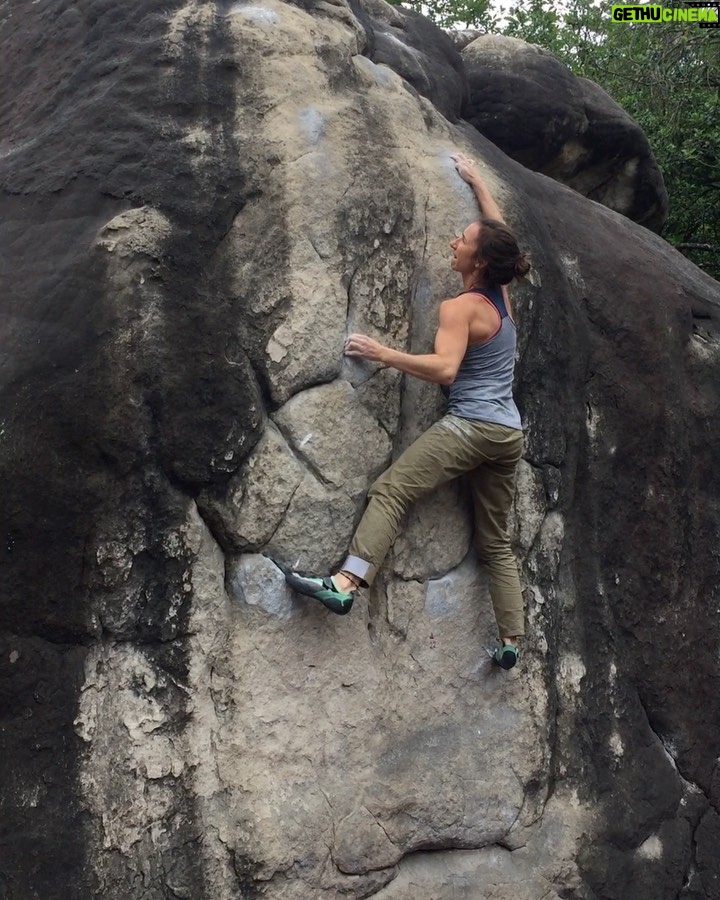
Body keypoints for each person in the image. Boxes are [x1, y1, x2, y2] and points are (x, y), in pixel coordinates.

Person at [285, 152, 530, 670]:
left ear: (479, 261)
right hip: (508, 433)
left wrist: (382, 353)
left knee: (392, 490)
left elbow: (444, 369)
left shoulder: (461, 308)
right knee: (496, 543)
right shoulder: (502, 295)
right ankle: (511, 641)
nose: (453, 242)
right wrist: (478, 180)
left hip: (471, 427)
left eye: (461, 240)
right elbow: (502, 233)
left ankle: (346, 582)